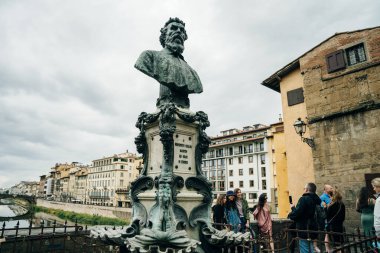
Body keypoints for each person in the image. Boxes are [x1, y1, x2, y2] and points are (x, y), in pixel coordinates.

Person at [135, 17, 203, 109]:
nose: (179, 31)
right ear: (164, 35)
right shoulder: (149, 56)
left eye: (182, 30)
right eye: (174, 28)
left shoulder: (192, 73)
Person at [288, 183, 321, 253]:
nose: (303, 190)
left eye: (304, 188)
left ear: (307, 189)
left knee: (305, 249)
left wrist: (292, 209)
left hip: (304, 229)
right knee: (311, 249)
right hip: (314, 228)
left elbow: (296, 214)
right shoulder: (317, 200)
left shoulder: (304, 199)